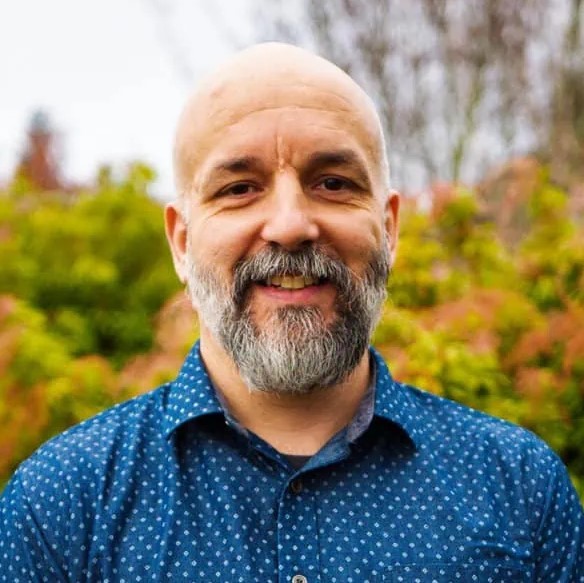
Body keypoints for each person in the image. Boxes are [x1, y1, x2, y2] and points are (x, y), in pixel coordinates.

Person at [1, 42, 583, 583]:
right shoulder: (60, 506)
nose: (289, 226)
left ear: (389, 228)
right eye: (239, 188)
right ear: (181, 242)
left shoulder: (520, 490)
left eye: (332, 182)